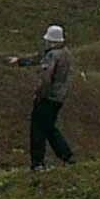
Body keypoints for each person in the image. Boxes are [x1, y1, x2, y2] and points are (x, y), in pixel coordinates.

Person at [9, 24, 75, 170]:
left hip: (48, 97)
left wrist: (39, 95)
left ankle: (37, 163)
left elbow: (46, 78)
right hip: (59, 97)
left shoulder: (52, 55)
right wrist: (21, 60)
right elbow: (40, 58)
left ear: (51, 40)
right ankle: (67, 156)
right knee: (49, 128)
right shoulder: (65, 53)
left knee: (37, 129)